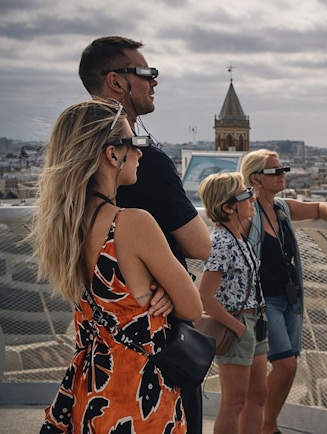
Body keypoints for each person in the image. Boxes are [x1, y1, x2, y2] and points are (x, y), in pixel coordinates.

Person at [35, 100, 203, 433]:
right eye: (135, 143)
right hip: (140, 397)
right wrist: (163, 292)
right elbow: (193, 307)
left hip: (91, 389)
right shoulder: (133, 224)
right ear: (112, 154)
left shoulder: (63, 227)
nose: (141, 153)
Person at [79, 36, 212, 434]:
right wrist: (167, 286)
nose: (155, 82)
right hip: (150, 363)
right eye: (148, 73)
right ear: (117, 82)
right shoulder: (146, 169)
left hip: (94, 370)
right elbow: (200, 246)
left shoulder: (71, 204)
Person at [240, 149, 327, 434]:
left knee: (289, 364)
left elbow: (318, 206)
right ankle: (262, 424)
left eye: (284, 169)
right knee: (284, 364)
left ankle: (263, 423)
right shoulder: (246, 211)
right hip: (263, 300)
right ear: (256, 178)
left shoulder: (281, 208)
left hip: (289, 298)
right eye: (275, 171)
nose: (283, 175)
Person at [198, 172, 268, 434]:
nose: (251, 198)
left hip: (254, 322)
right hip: (239, 325)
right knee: (234, 402)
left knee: (259, 395)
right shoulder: (221, 242)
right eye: (245, 194)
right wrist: (237, 327)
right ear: (228, 207)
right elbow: (205, 295)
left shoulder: (239, 237)